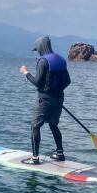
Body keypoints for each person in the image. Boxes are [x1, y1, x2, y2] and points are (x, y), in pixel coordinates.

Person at [19, 35, 71, 165]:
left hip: (45, 100)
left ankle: (35, 158)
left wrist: (26, 72)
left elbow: (37, 83)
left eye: (37, 49)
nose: (38, 51)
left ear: (41, 47)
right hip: (59, 99)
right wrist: (56, 93)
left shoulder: (43, 61)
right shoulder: (61, 59)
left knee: (35, 126)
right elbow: (67, 81)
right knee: (53, 125)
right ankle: (60, 154)